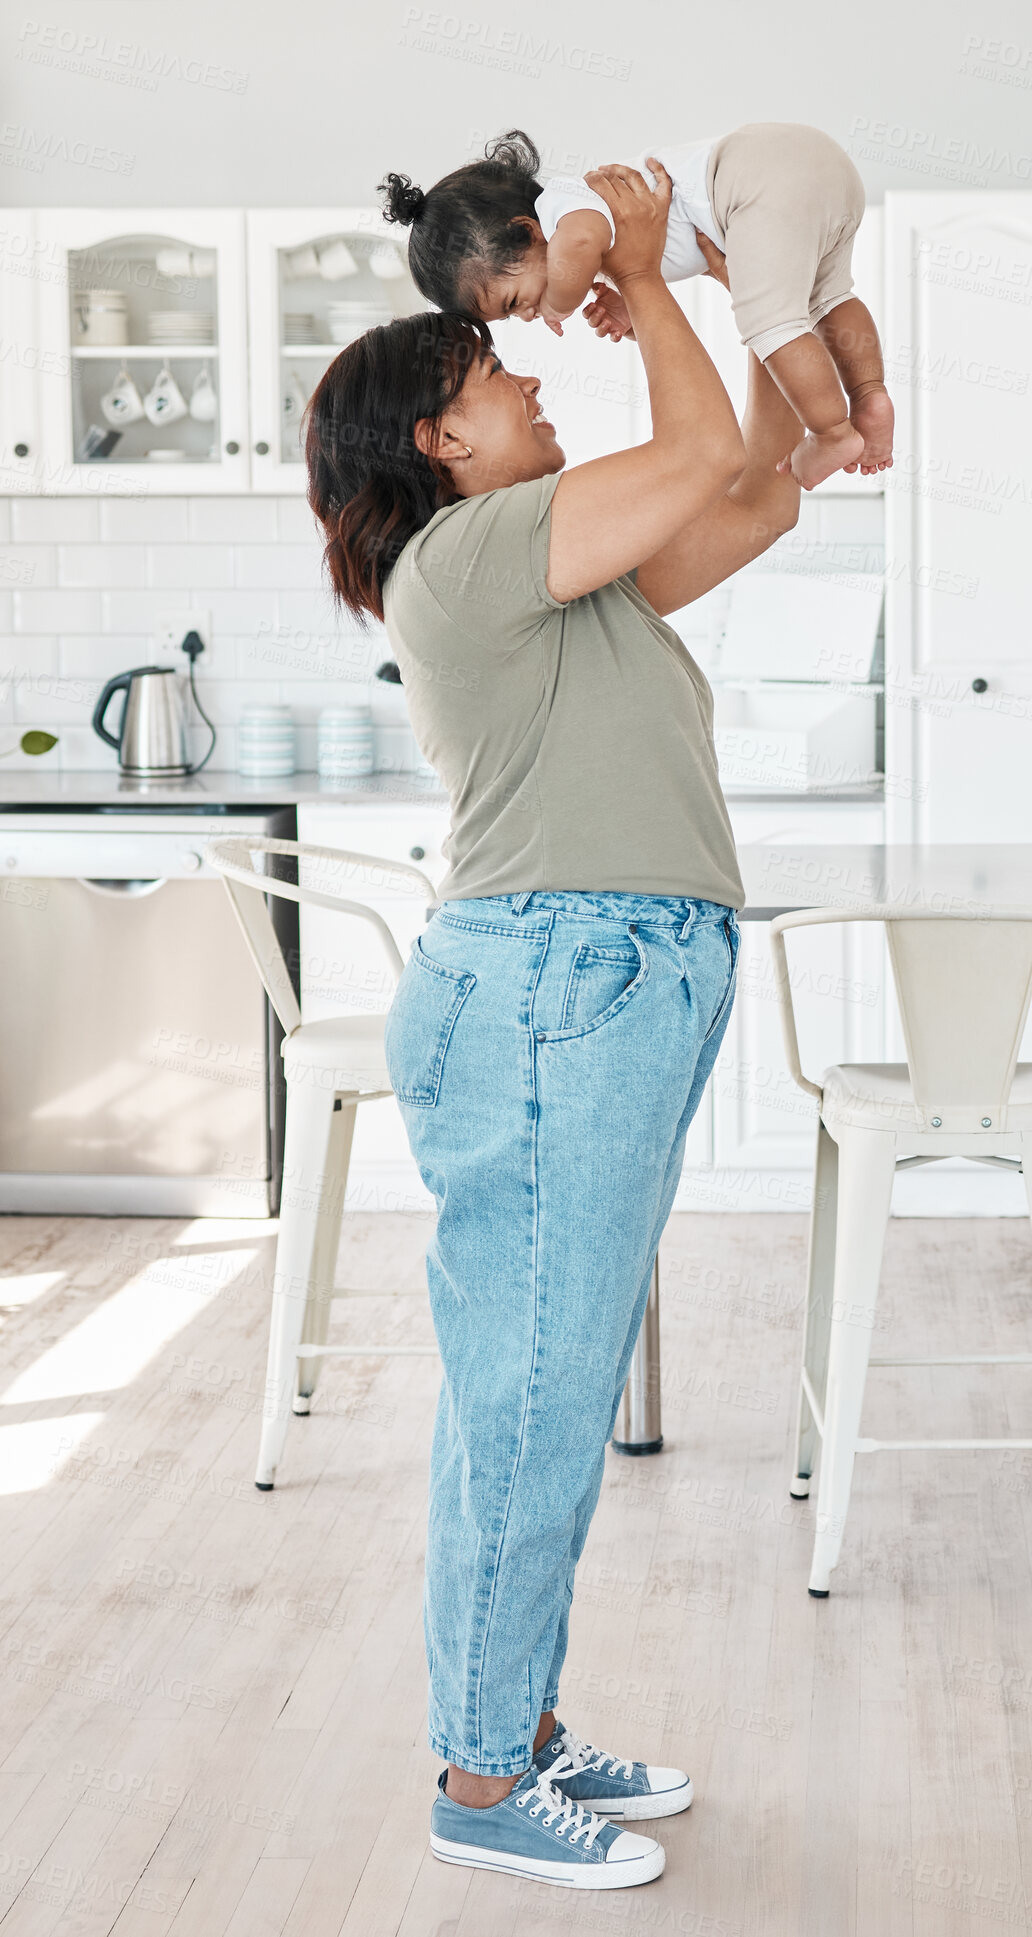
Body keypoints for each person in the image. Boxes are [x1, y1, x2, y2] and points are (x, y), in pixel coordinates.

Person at [305, 162, 801, 1892]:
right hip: (553, 990)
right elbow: (678, 464)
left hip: (598, 982)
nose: (524, 377)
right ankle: (476, 1772)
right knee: (527, 1395)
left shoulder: (555, 568)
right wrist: (646, 285)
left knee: (547, 1387)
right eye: (491, 380)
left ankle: (511, 1725)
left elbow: (742, 502)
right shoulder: (471, 555)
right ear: (437, 446)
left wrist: (787, 362)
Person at [380, 123, 893, 490]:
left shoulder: (564, 207)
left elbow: (579, 247)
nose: (530, 316)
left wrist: (561, 302)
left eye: (514, 303)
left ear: (527, 231)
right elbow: (638, 262)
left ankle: (831, 432)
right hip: (818, 170)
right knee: (829, 299)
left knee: (773, 323)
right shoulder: (602, 236)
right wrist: (629, 308)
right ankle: (869, 396)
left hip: (756, 180)